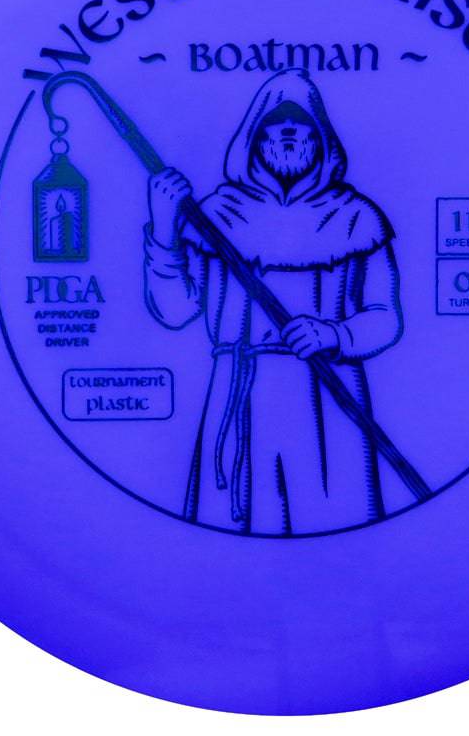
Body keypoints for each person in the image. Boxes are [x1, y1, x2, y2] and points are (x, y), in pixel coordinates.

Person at [143, 69, 403, 535]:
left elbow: (385, 318)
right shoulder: (216, 216)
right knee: (230, 530)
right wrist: (164, 230)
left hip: (326, 394)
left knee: (336, 525)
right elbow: (176, 310)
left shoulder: (356, 218)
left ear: (321, 138)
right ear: (254, 138)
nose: (287, 132)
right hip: (239, 389)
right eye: (274, 123)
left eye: (299, 124)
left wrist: (334, 334)